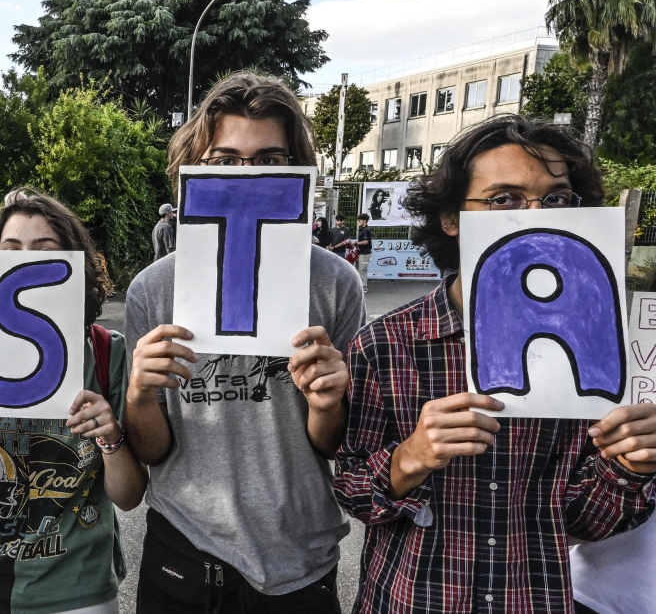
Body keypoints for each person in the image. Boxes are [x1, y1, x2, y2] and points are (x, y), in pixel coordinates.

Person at [333, 114, 656, 614]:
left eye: (555, 198)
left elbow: (587, 524)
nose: (533, 215)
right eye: (504, 198)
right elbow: (353, 492)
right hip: (408, 598)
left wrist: (631, 468)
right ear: (451, 218)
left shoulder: (600, 352)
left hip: (533, 598)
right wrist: (410, 458)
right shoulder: (387, 342)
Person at [124, 71, 365, 613]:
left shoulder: (334, 283)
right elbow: (152, 452)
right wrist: (139, 396)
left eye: (269, 160)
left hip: (298, 559)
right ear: (195, 169)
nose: (247, 174)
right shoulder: (153, 288)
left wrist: (329, 403)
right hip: (183, 551)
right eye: (225, 160)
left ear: (294, 168)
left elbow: (335, 446)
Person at [0, 192, 148, 614]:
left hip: (80, 589)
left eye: (44, 249)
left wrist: (111, 439)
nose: (25, 263)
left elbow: (129, 497)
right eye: (11, 250)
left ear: (72, 264)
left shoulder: (110, 355)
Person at [355, 213, 372, 291]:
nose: (358, 221)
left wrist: (355, 243)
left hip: (365, 253)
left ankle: (364, 287)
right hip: (361, 252)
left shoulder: (366, 230)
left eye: (359, 220)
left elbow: (366, 242)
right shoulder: (362, 229)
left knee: (362, 270)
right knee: (359, 269)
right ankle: (360, 285)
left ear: (365, 221)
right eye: (358, 220)